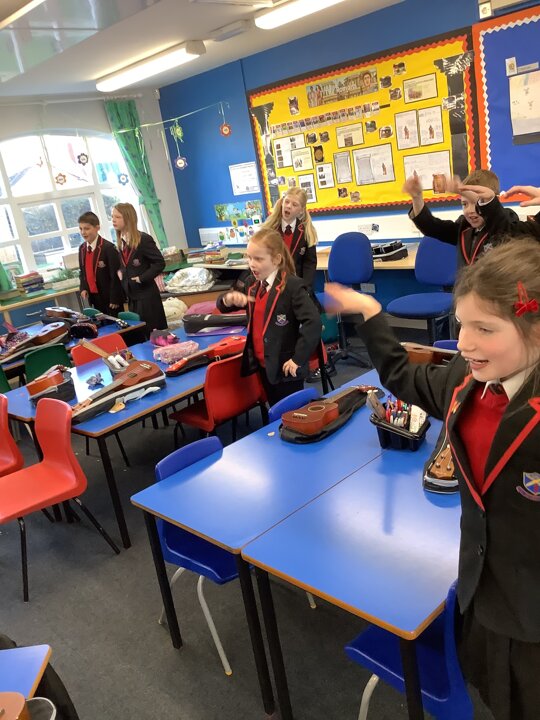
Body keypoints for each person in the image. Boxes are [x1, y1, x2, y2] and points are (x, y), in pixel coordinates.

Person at [325, 239, 540, 720]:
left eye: (484, 329)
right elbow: (404, 376)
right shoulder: (468, 379)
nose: (463, 343)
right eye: (461, 324)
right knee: (491, 694)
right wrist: (370, 312)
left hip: (533, 619)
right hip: (481, 592)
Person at [216, 228, 321, 406]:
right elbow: (223, 306)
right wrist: (227, 299)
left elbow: (314, 322)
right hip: (262, 364)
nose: (252, 264)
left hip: (286, 367)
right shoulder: (251, 283)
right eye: (249, 258)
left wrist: (297, 359)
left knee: (290, 412)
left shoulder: (292, 286)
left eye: (258, 259)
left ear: (277, 259)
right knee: (274, 408)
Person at [403, 169, 520, 268]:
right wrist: (417, 198)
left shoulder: (507, 221)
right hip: (467, 286)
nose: (470, 210)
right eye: (464, 204)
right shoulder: (464, 226)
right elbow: (431, 227)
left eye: (475, 202)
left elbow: (501, 223)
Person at [111, 203, 167, 337]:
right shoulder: (121, 242)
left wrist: (142, 278)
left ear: (128, 218)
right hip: (132, 296)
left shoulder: (143, 239)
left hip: (146, 296)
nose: (113, 220)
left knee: (152, 334)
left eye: (117, 217)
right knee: (139, 333)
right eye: (112, 217)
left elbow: (159, 263)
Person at [262, 187, 318, 289]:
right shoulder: (270, 230)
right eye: (287, 202)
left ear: (301, 210)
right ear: (282, 202)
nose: (288, 206)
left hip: (296, 285)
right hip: (273, 284)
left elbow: (309, 264)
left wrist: (305, 288)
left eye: (294, 204)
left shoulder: (307, 232)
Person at [78, 211, 124, 316]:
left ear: (97, 228)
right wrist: (83, 288)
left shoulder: (108, 248)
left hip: (110, 298)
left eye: (87, 228)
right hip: (94, 297)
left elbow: (116, 275)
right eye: (81, 229)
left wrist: (115, 298)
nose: (83, 232)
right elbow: (82, 272)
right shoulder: (82, 249)